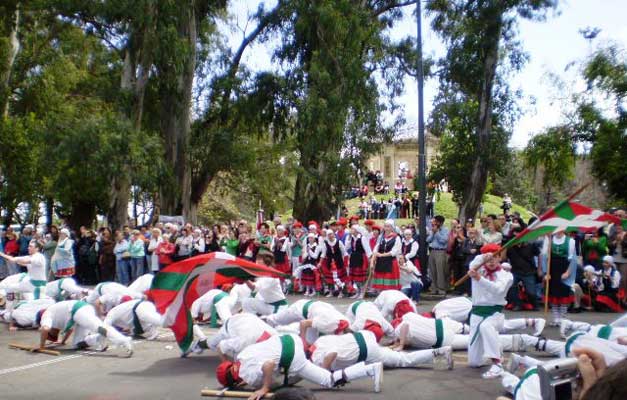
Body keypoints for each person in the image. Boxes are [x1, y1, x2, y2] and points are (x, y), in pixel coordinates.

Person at [214, 334, 383, 399]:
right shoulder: (242, 355)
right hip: (289, 339)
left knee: (328, 380)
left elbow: (268, 364)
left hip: (293, 357)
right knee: (287, 378)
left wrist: (263, 388)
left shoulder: (246, 373)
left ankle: (369, 369)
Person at [466, 243, 513, 379]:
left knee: (486, 327)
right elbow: (473, 264)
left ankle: (497, 364)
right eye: (488, 258)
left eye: (494, 257)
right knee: (474, 362)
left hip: (495, 313)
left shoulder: (506, 275)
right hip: (476, 313)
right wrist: (483, 257)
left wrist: (479, 279)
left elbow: (498, 290)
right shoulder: (478, 269)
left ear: (500, 257)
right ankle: (497, 348)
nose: (491, 261)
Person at [310, 329, 454, 372]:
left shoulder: (316, 356)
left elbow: (333, 352)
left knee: (404, 360)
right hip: (364, 337)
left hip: (367, 351)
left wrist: (324, 370)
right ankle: (441, 352)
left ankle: (441, 352)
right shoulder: (319, 340)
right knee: (400, 357)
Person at [38, 300, 133, 356]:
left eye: (51, 335)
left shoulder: (46, 316)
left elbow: (45, 329)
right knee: (77, 344)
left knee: (99, 327)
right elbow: (70, 329)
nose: (55, 334)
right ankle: (97, 338)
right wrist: (62, 341)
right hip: (79, 312)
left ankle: (123, 340)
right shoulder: (56, 316)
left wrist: (41, 346)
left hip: (79, 311)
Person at [0, 240, 48, 319]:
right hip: (30, 283)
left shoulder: (39, 256)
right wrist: (2, 254)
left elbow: (25, 261)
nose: (28, 248)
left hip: (38, 286)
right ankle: (8, 311)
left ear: (37, 249)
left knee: (35, 306)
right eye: (29, 246)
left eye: (31, 246)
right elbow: (14, 259)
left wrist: (14, 259)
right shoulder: (31, 256)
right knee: (9, 288)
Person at [542, 230, 577, 326]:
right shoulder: (549, 240)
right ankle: (556, 317)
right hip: (552, 269)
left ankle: (563, 317)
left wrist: (568, 272)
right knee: (553, 294)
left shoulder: (570, 241)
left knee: (563, 293)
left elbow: (573, 259)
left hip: (564, 268)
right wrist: (546, 272)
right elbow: (545, 257)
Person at [507, 229, 541, 311]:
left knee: (531, 292)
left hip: (528, 272)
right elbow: (503, 257)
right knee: (511, 286)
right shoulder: (510, 246)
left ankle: (534, 304)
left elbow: (539, 255)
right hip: (515, 271)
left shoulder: (530, 245)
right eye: (514, 237)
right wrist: (506, 246)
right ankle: (517, 304)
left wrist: (539, 268)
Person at [371, 220, 402, 292]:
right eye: (385, 226)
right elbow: (376, 249)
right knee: (381, 286)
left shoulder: (396, 238)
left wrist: (382, 255)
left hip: (390, 263)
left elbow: (394, 252)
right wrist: (372, 261)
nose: (386, 228)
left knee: (389, 286)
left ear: (392, 228)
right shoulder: (381, 237)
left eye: (388, 227)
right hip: (380, 263)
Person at [345, 225, 372, 299]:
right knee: (354, 277)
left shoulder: (362, 238)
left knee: (360, 277)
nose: (351, 230)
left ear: (357, 230)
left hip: (360, 258)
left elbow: (367, 249)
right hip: (353, 258)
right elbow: (346, 247)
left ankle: (362, 292)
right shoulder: (351, 238)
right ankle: (358, 291)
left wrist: (370, 259)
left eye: (353, 229)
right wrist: (349, 238)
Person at [319, 230, 348, 297]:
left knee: (340, 278)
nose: (330, 236)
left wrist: (346, 263)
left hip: (338, 263)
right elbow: (323, 254)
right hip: (330, 263)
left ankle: (341, 292)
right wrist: (320, 262)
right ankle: (331, 292)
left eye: (331, 234)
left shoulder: (339, 242)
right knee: (330, 279)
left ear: (334, 235)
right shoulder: (325, 244)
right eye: (328, 235)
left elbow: (344, 253)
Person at [427, 216, 449, 295]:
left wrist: (437, 233)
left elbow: (443, 240)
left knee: (440, 271)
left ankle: (441, 289)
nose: (434, 223)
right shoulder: (433, 229)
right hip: (432, 251)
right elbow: (428, 240)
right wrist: (433, 233)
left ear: (440, 222)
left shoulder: (445, 230)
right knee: (432, 270)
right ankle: (434, 288)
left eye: (435, 222)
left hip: (440, 251)